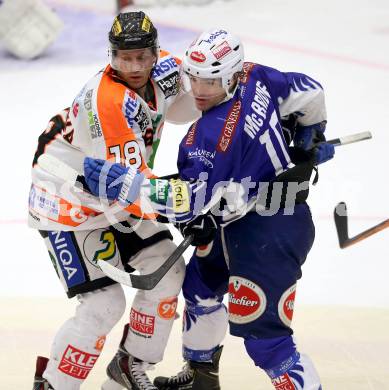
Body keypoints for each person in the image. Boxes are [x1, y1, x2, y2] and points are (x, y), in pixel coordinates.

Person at [83, 28, 335, 389]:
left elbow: (189, 201)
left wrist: (128, 186)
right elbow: (308, 90)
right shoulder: (255, 74)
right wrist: (313, 131)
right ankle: (200, 376)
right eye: (195, 78)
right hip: (235, 218)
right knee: (201, 286)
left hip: (268, 232)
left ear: (232, 74)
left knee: (268, 342)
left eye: (211, 82)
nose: (200, 90)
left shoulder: (210, 135)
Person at [29, 11, 199, 390]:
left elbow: (197, 99)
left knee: (168, 274)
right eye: (124, 57)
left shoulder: (167, 68)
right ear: (111, 56)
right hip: (66, 202)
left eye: (142, 56)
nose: (134, 66)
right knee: (103, 305)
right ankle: (54, 385)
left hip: (114, 193)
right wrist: (190, 204)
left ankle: (128, 369)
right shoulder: (107, 104)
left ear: (156, 52)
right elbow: (132, 190)